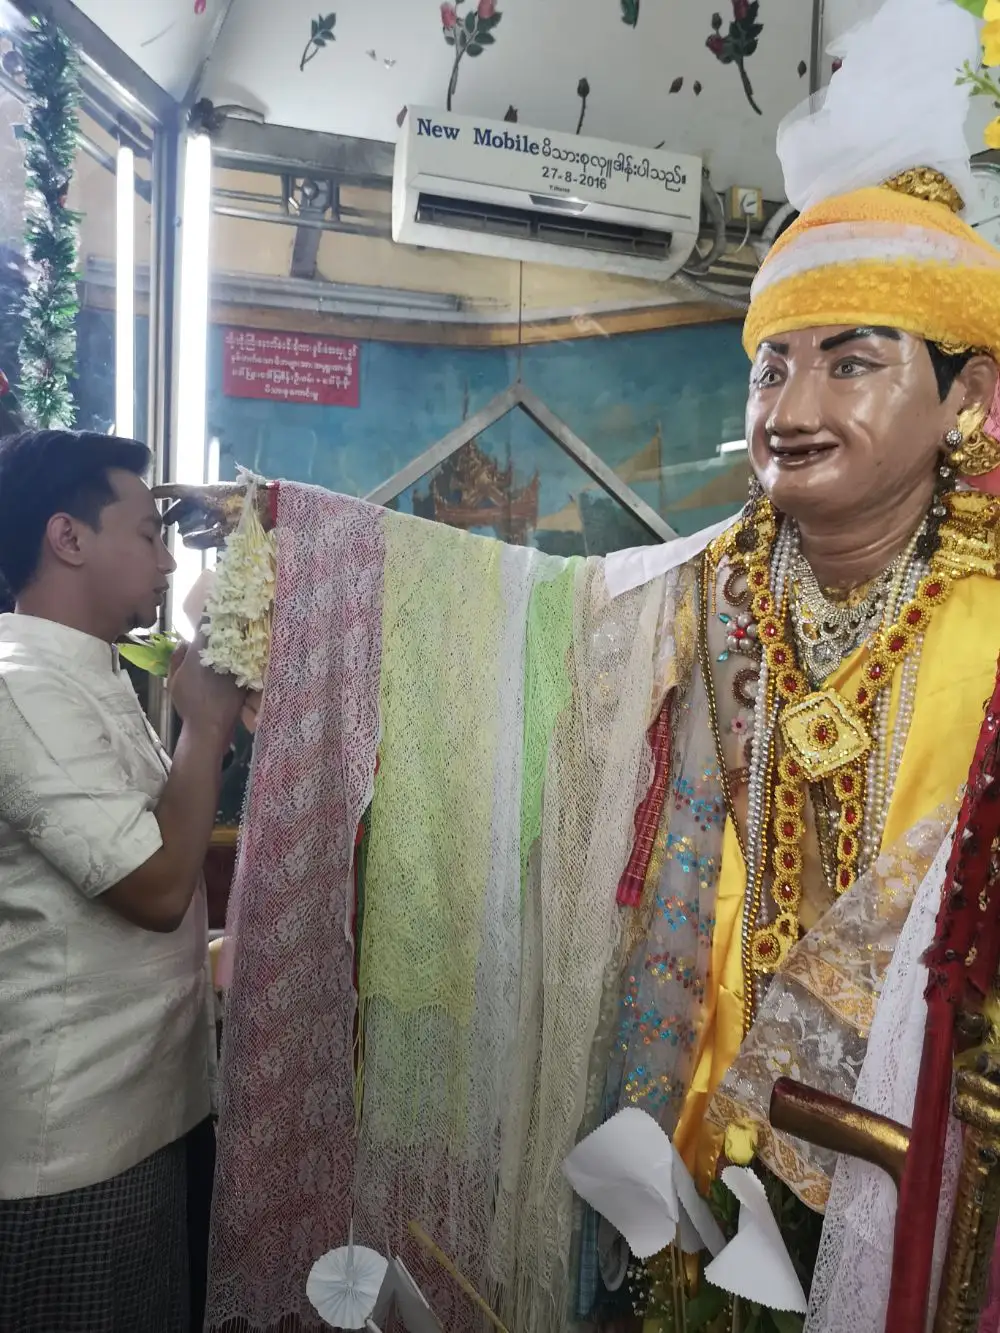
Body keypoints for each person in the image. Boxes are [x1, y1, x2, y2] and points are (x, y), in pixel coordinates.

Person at [156, 1, 1000, 1329]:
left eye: (853, 364)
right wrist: (302, 548)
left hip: (927, 1168)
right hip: (691, 1127)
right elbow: (521, 613)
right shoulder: (710, 583)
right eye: (770, 368)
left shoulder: (988, 625)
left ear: (970, 400)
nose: (790, 410)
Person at [0, 430, 246, 1332]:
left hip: (146, 1109)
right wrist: (205, 728)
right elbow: (154, 889)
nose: (167, 559)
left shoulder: (86, 671)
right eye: (146, 533)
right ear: (67, 537)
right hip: (75, 1143)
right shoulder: (22, 686)